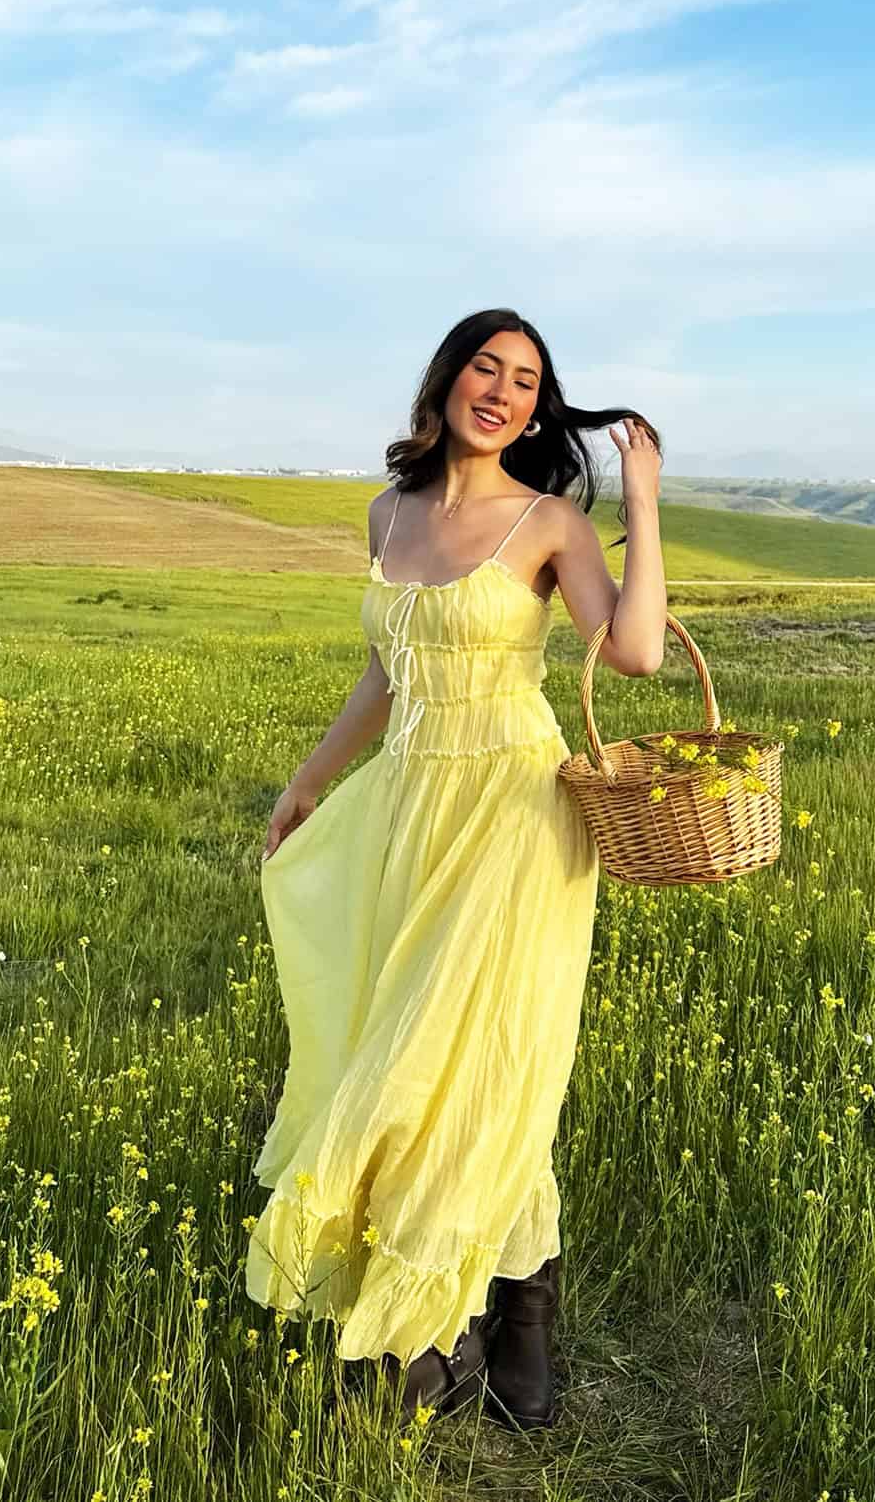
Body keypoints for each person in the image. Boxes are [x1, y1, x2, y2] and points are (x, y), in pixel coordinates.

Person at [246, 307, 666, 1430]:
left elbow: (631, 653)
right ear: (445, 382)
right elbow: (387, 670)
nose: (504, 390)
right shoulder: (386, 512)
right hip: (411, 807)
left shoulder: (551, 520)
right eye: (487, 366)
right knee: (413, 1056)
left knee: (476, 1054)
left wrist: (643, 506)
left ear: (537, 407)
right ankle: (468, 1313)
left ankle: (504, 1308)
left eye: (527, 380)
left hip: (516, 810)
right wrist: (311, 777)